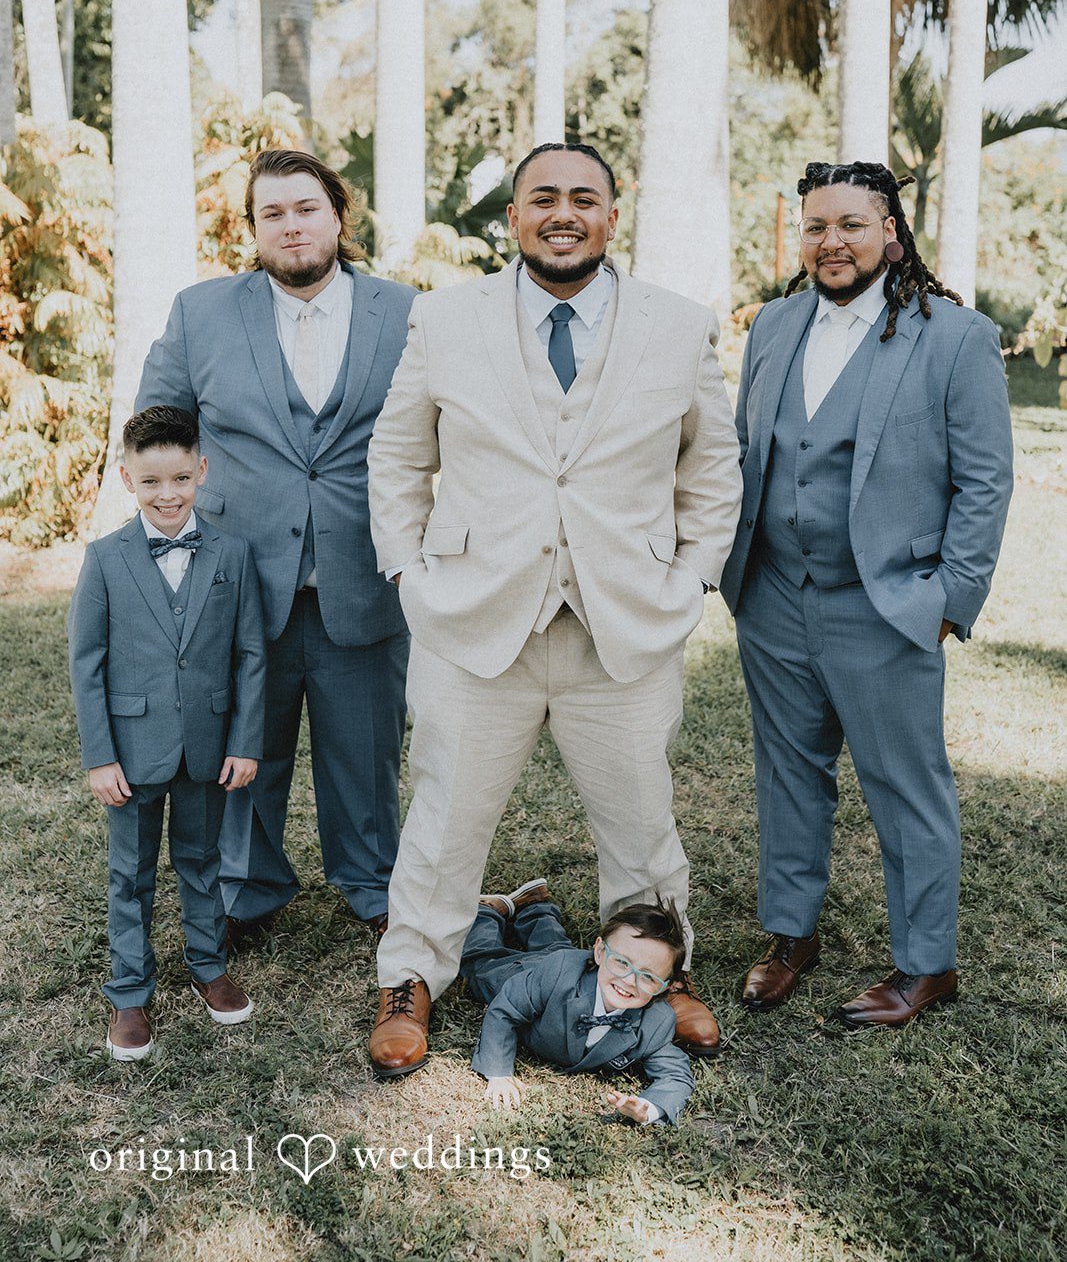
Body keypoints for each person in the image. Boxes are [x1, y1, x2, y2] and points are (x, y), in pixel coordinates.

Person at [366, 140, 743, 1076]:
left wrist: (691, 577)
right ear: (513, 217)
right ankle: (412, 976)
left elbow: (711, 467)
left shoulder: (678, 324)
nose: (562, 213)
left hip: (622, 621)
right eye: (543, 198)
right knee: (446, 813)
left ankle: (665, 965)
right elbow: (398, 458)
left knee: (640, 817)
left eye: (584, 198)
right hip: (470, 616)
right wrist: (409, 574)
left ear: (613, 216)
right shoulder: (444, 319)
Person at [720, 161, 1014, 1027]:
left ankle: (925, 966)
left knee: (904, 786)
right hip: (773, 594)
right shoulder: (771, 326)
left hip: (887, 604)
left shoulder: (952, 335)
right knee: (786, 774)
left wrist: (948, 599)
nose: (830, 241)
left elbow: (985, 482)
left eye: (850, 224)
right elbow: (748, 449)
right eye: (815, 226)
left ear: (889, 231)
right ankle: (789, 936)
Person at [137, 149, 416, 940]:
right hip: (236, 575)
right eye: (272, 214)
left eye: (305, 208)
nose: (291, 226)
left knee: (364, 751)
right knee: (242, 748)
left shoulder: (405, 312)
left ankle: (373, 888)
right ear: (253, 229)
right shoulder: (202, 313)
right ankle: (247, 889)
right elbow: (160, 425)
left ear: (338, 215)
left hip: (364, 572)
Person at [68, 406, 266, 1059]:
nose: (169, 494)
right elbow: (87, 662)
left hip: (209, 744)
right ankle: (130, 991)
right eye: (152, 481)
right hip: (129, 749)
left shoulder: (232, 554)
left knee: (202, 860)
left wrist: (244, 739)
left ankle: (208, 967)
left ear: (201, 471)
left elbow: (249, 655)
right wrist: (100, 756)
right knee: (130, 873)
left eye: (181, 478)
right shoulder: (104, 558)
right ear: (127, 478)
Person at [461, 882, 694, 1126]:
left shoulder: (656, 1022)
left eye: (647, 977)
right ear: (600, 952)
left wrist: (649, 1109)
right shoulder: (558, 972)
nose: (629, 981)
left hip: (573, 965)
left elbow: (676, 1075)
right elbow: (507, 1009)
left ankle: (535, 907)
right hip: (537, 975)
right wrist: (498, 1073)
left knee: (557, 949)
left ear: (664, 987)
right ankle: (486, 913)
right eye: (622, 962)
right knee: (480, 967)